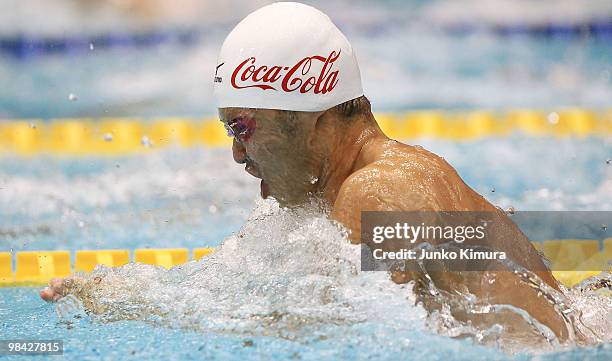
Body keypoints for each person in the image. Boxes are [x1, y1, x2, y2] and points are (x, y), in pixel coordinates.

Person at [42, 2, 573, 342]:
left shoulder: (376, 192)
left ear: (314, 120)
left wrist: (133, 305)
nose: (237, 155)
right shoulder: (402, 172)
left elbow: (341, 334)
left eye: (243, 128)